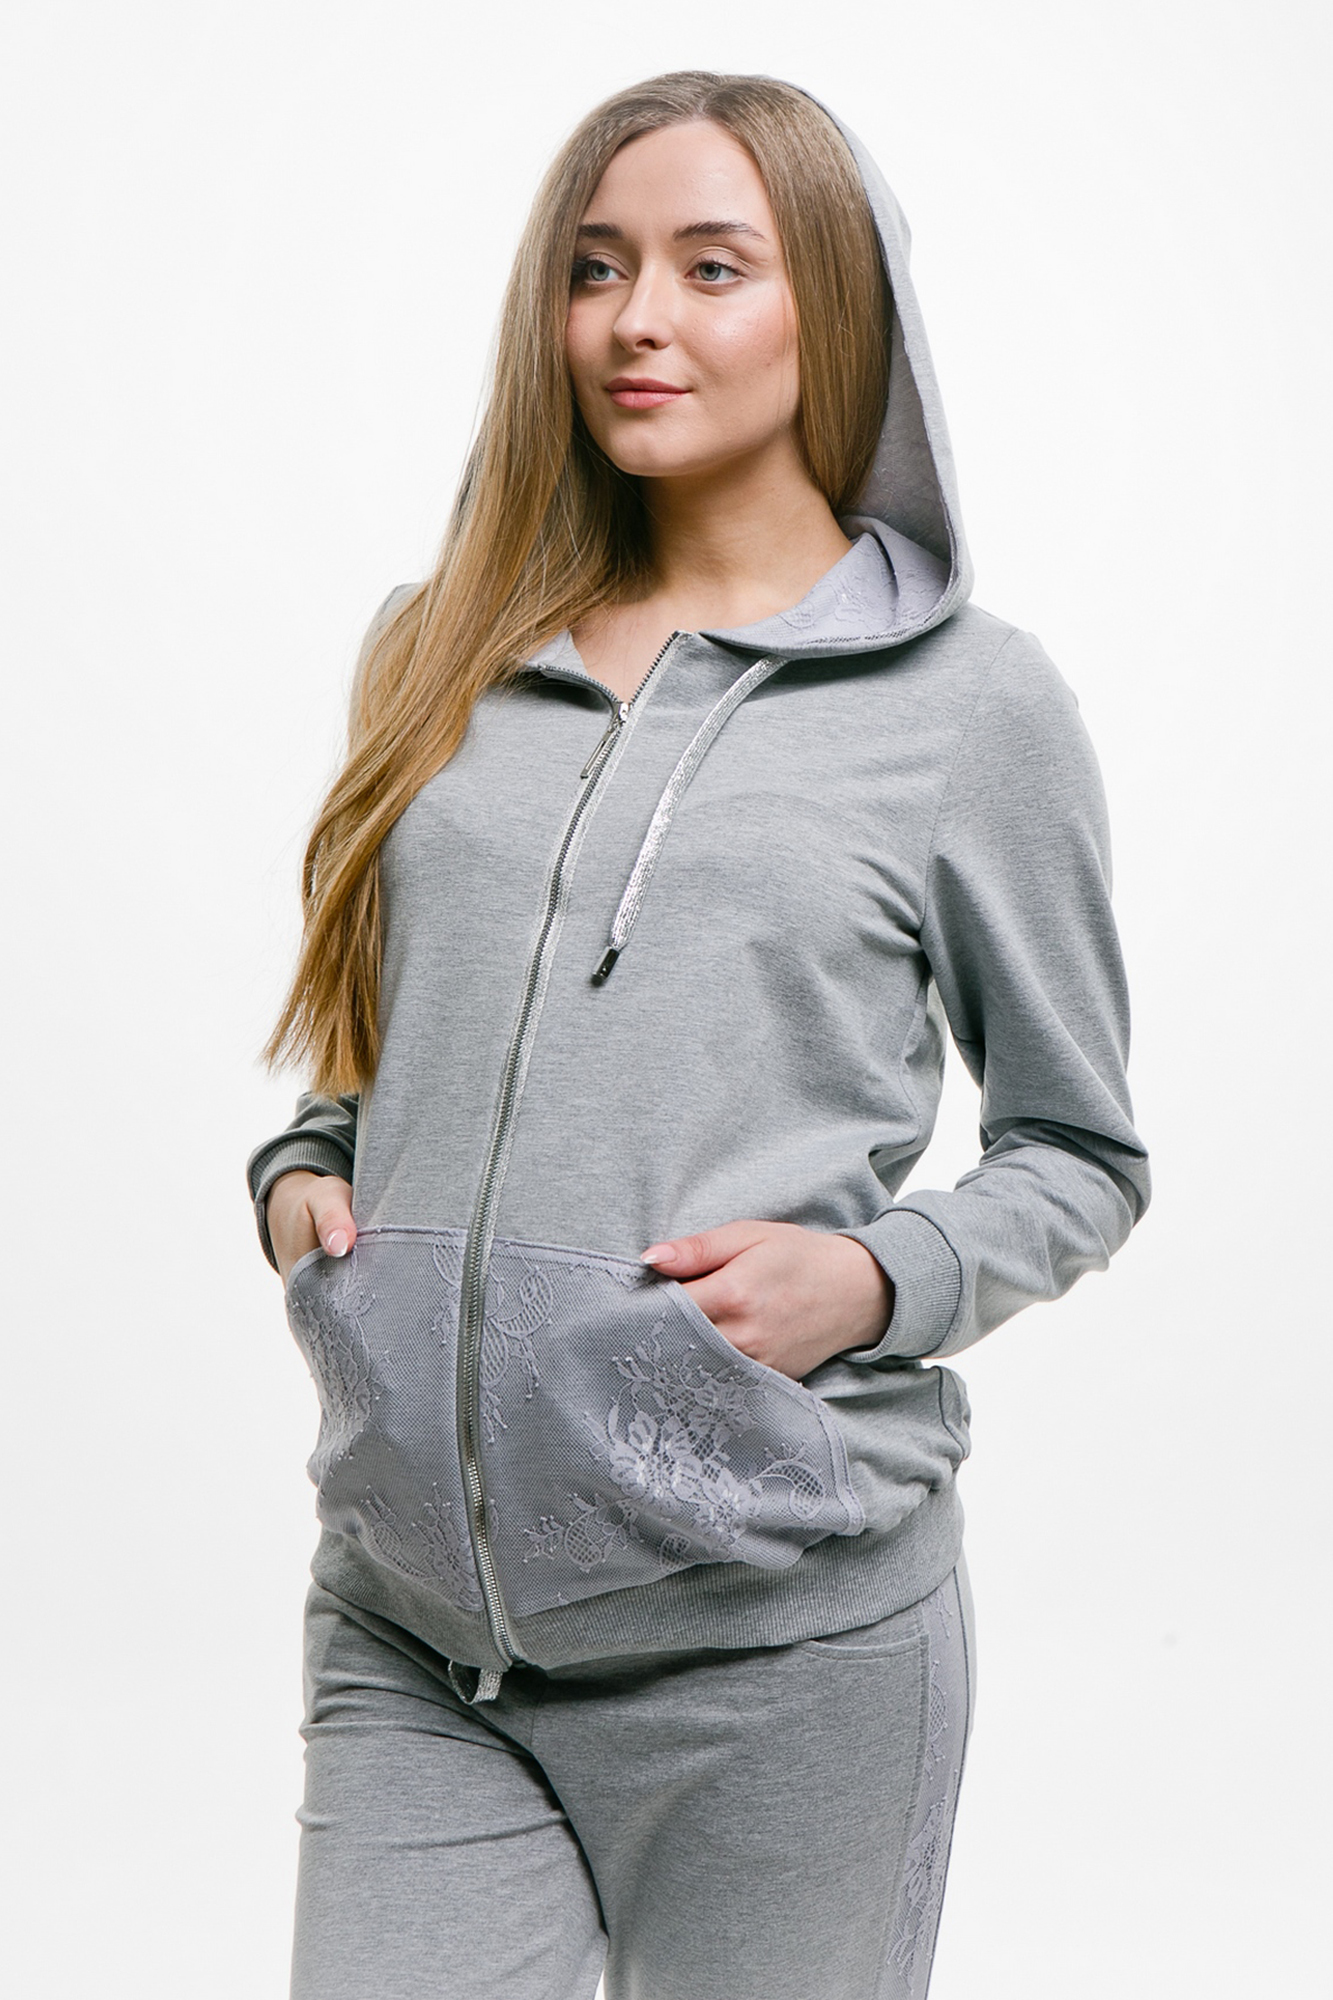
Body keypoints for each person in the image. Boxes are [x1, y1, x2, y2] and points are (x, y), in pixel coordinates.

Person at [247, 69, 1150, 2000]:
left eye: (709, 267)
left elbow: (1080, 1154)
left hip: (781, 1653)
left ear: (834, 305)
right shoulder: (437, 646)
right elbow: (385, 1037)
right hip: (412, 1632)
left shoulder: (969, 708)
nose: (633, 320)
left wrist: (877, 1277)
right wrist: (306, 1173)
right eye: (594, 269)